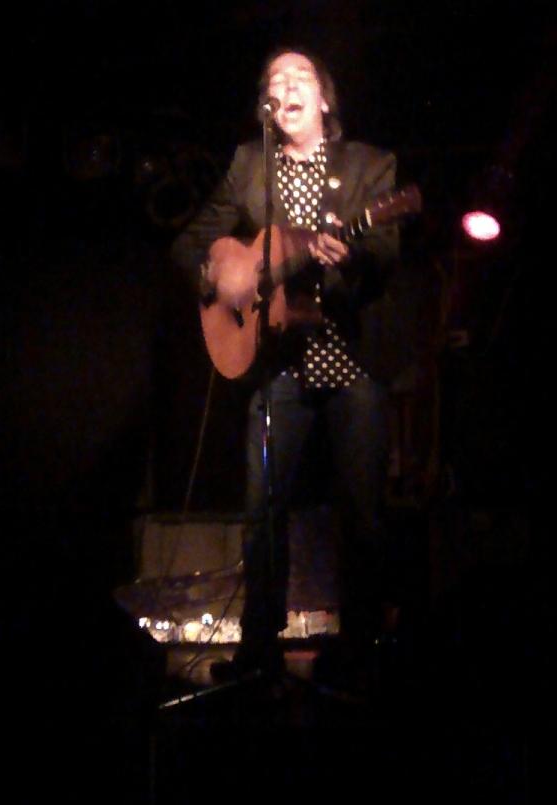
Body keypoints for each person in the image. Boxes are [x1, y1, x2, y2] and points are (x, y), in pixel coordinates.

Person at [171, 47, 402, 682]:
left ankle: (360, 651)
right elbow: (192, 242)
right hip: (278, 362)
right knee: (261, 506)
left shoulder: (369, 167)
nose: (286, 84)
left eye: (300, 77)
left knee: (363, 510)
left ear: (324, 100)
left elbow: (384, 250)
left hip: (349, 358)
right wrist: (226, 276)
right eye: (275, 79)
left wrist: (348, 257)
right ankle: (256, 651)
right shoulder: (252, 166)